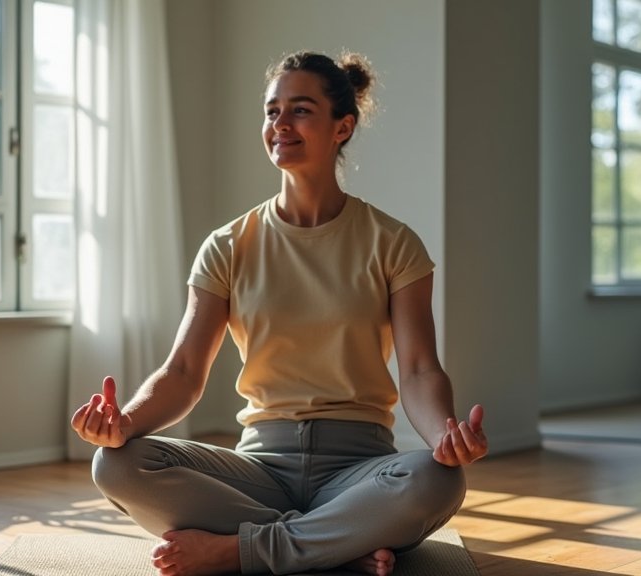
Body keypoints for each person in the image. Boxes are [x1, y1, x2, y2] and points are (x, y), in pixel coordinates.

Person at [71, 50, 488, 576]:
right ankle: (336, 541)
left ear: (343, 127)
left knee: (440, 479)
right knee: (116, 463)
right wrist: (124, 422)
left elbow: (420, 370)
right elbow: (182, 373)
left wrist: (443, 440)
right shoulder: (227, 245)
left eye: (300, 110)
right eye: (272, 111)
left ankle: (242, 549)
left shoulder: (394, 243)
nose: (280, 124)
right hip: (259, 467)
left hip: (358, 466)